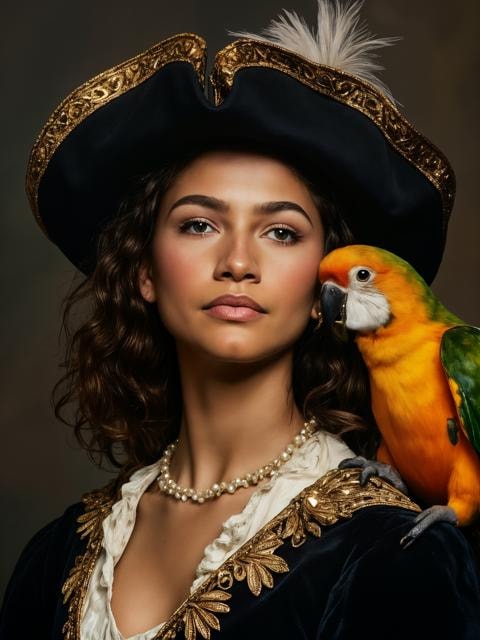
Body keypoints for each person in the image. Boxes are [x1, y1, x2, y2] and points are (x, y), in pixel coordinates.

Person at [1, 2, 479, 639]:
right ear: (144, 270)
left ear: (320, 291)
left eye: (281, 232)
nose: (237, 262)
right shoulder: (55, 555)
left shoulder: (393, 554)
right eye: (199, 225)